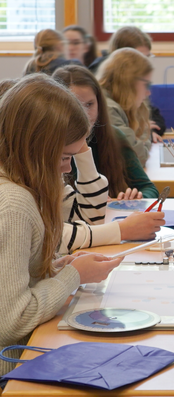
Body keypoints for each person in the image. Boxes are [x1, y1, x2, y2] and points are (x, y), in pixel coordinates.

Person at [0, 74, 123, 377]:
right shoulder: (14, 203)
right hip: (13, 368)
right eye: (65, 156)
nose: (68, 168)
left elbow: (14, 279)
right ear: (37, 148)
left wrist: (54, 267)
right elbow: (12, 321)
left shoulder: (15, 188)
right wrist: (73, 276)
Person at [53, 65, 159, 200]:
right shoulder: (49, 147)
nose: (85, 114)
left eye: (90, 104)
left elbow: (148, 188)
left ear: (99, 103)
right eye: (76, 105)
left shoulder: (115, 137)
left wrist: (137, 198)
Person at [97, 48, 153, 166]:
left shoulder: (124, 104)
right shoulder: (108, 109)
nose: (149, 92)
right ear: (128, 82)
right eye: (146, 85)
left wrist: (141, 143)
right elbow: (138, 156)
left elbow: (142, 135)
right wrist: (143, 144)